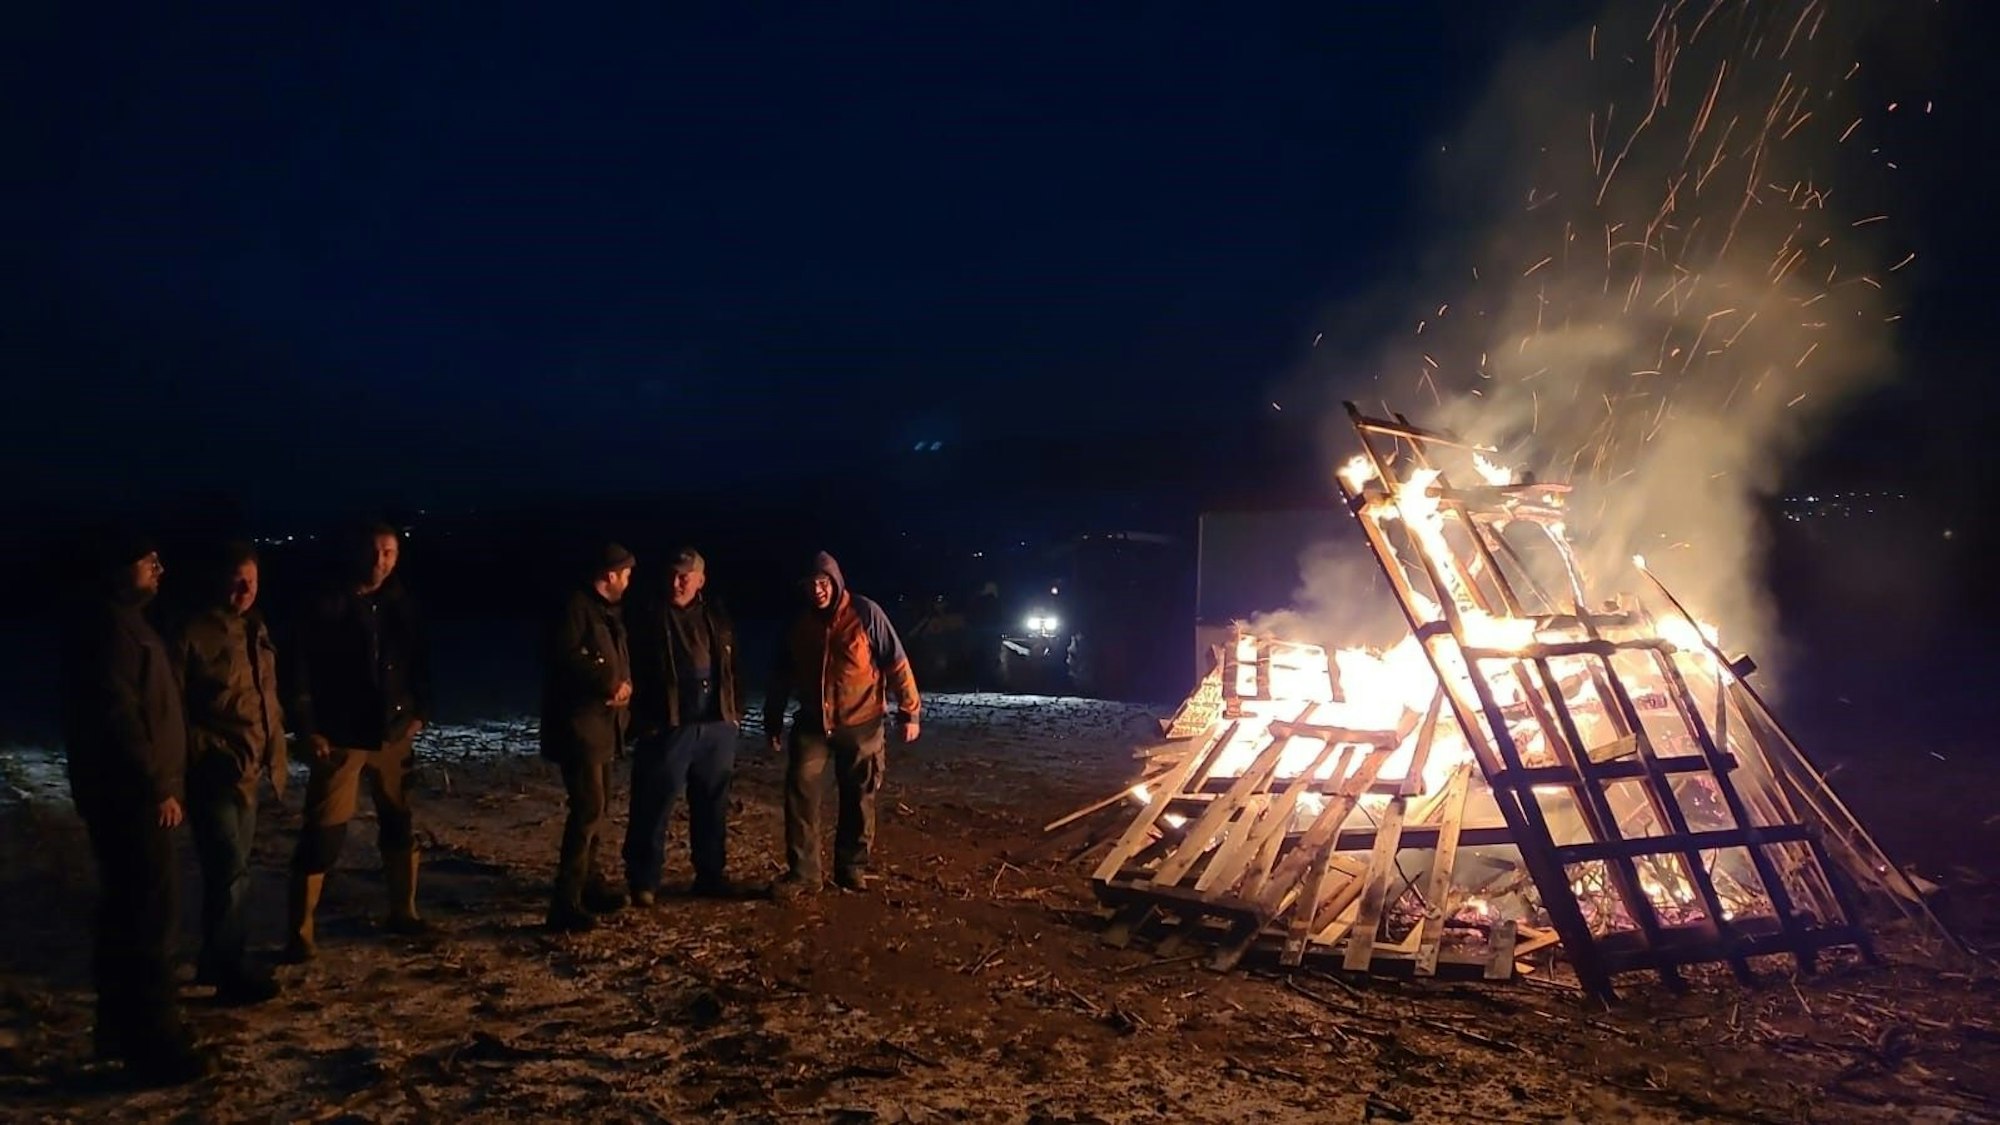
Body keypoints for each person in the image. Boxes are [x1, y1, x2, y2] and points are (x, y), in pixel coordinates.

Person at [60, 530, 216, 1083]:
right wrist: (156, 786)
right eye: (147, 560)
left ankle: (119, 1027)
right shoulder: (110, 630)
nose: (158, 568)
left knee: (129, 911)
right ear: (118, 566)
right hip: (130, 798)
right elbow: (119, 720)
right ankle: (153, 1042)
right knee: (150, 917)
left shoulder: (127, 623)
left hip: (129, 793)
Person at [282, 523, 432, 961]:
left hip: (393, 733)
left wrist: (421, 711)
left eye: (388, 552)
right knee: (324, 832)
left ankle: (403, 911)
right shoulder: (324, 604)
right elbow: (300, 672)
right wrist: (308, 726)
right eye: (372, 552)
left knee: (399, 821)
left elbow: (420, 663)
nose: (379, 561)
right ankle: (300, 931)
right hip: (342, 735)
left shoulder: (402, 604)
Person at [763, 551, 922, 899]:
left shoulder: (866, 613)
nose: (817, 590)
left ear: (835, 582)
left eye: (823, 583)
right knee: (800, 795)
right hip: (812, 724)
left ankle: (851, 868)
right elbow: (780, 675)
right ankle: (804, 874)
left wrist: (909, 712)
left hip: (861, 722)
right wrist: (772, 719)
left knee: (859, 797)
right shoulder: (797, 622)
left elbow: (896, 663)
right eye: (811, 585)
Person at [171, 541, 285, 1004]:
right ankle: (228, 968)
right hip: (214, 772)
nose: (244, 589)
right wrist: (206, 752)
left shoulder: (255, 628)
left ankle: (216, 959)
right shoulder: (193, 634)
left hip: (250, 770)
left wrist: (274, 752)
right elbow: (171, 710)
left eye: (252, 581)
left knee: (235, 869)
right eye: (237, 580)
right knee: (229, 872)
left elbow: (264, 698)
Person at [624, 548, 745, 904]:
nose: (677, 582)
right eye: (673, 574)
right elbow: (633, 668)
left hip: (716, 724)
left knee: (712, 802)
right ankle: (643, 880)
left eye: (685, 576)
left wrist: (734, 710)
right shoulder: (648, 616)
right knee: (653, 801)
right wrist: (640, 720)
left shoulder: (716, 616)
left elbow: (733, 664)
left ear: (700, 579)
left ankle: (710, 874)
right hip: (669, 724)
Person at [540, 543, 637, 931]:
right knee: (587, 810)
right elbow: (565, 658)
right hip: (580, 728)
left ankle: (590, 884)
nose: (629, 582)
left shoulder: (604, 611)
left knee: (599, 809)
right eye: (626, 574)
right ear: (610, 574)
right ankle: (564, 901)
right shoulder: (575, 609)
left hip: (603, 727)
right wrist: (607, 682)